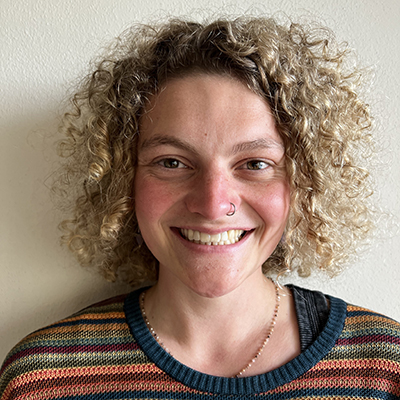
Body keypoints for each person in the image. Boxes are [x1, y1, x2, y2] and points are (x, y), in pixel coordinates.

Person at [1, 16, 399, 400]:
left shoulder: (385, 369)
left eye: (255, 164)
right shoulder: (42, 381)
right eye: (172, 162)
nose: (212, 204)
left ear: (303, 181)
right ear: (124, 180)